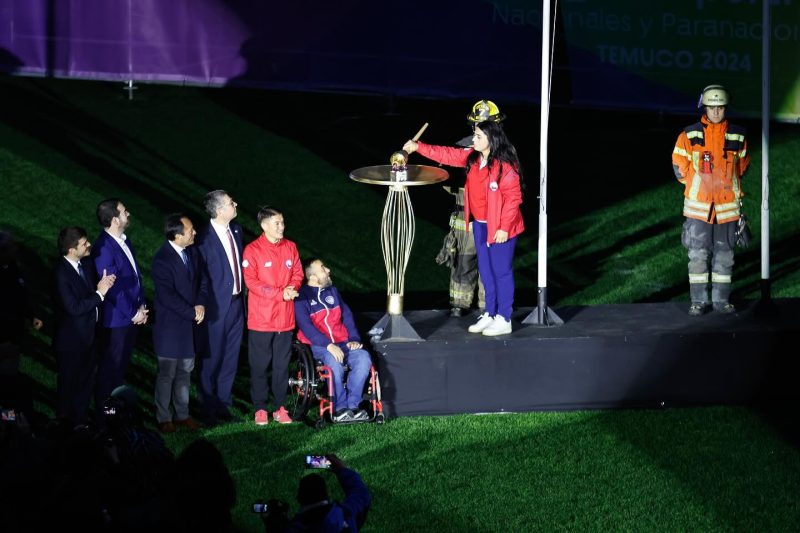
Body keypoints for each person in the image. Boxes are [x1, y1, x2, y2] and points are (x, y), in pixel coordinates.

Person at [403, 99, 525, 336]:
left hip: (501, 228)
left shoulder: (505, 165)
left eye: (478, 135)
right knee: (486, 272)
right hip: (479, 225)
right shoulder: (472, 159)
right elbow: (447, 154)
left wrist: (503, 228)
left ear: (492, 137)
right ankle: (490, 313)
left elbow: (513, 199)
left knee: (501, 272)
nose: (474, 139)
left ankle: (504, 317)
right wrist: (419, 147)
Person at [672, 85, 750, 316]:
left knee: (725, 257)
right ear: (704, 107)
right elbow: (679, 165)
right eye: (712, 107)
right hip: (699, 209)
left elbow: (742, 166)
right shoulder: (689, 134)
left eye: (720, 107)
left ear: (725, 108)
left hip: (727, 209)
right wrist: (697, 185)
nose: (716, 112)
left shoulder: (738, 135)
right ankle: (698, 302)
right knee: (697, 256)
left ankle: (720, 301)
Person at [243, 206, 303, 425]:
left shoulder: (291, 247)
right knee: (259, 366)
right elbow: (252, 282)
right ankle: (260, 408)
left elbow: (298, 273)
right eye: (277, 223)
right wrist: (281, 294)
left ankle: (280, 407)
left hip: (285, 320)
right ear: (264, 225)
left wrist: (292, 287)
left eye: (283, 222)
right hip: (261, 320)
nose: (281, 227)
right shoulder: (252, 250)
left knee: (281, 366)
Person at [294, 259, 372, 423]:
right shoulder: (301, 297)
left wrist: (354, 339)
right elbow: (307, 327)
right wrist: (329, 345)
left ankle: (353, 406)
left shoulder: (333, 292)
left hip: (343, 342)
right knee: (334, 363)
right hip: (319, 346)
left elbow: (348, 317)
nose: (328, 270)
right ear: (313, 276)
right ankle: (339, 408)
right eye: (323, 268)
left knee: (364, 358)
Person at [151, 214, 208, 433]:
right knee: (167, 374)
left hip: (190, 324)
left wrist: (201, 305)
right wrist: (192, 312)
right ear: (177, 235)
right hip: (170, 327)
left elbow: (202, 280)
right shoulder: (162, 260)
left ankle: (182, 414)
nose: (194, 232)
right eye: (190, 230)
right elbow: (167, 296)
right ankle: (164, 417)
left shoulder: (192, 252)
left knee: (185, 372)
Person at [53, 227, 115, 426]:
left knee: (85, 382)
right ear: (71, 250)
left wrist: (102, 286)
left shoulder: (84, 265)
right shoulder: (61, 274)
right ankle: (64, 424)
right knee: (68, 384)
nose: (89, 245)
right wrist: (100, 294)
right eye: (84, 243)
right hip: (72, 341)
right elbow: (74, 307)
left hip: (89, 337)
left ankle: (79, 420)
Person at [91, 199, 148, 412]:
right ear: (115, 220)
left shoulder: (124, 240)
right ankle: (105, 417)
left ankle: (115, 415)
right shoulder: (104, 248)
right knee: (110, 371)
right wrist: (134, 312)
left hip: (129, 318)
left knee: (119, 368)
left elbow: (134, 276)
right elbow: (113, 289)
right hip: (116, 322)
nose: (129, 214)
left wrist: (141, 305)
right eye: (125, 211)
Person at [195, 189, 245, 426]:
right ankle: (207, 408)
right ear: (218, 210)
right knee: (211, 358)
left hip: (237, 304)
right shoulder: (203, 240)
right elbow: (200, 277)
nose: (235, 203)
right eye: (229, 202)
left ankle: (224, 404)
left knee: (230, 357)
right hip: (216, 308)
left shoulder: (236, 230)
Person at [284, 454, 371, 533]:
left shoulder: (293, 528)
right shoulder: (344, 516)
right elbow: (361, 494)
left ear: (298, 497)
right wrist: (342, 469)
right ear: (326, 495)